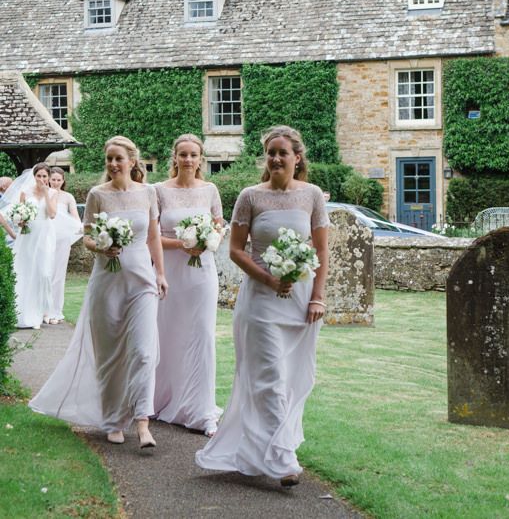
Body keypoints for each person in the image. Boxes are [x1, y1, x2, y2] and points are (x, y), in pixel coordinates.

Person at [195, 125, 329, 487]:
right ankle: (284, 460)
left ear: (297, 158)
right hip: (260, 300)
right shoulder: (250, 196)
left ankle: (259, 451)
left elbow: (321, 250)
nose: (276, 159)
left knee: (293, 377)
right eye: (271, 153)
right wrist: (269, 278)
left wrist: (317, 296)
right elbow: (236, 249)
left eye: (283, 153)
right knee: (269, 376)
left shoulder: (312, 196)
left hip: (300, 300)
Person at [30, 136, 168, 449]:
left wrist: (160, 273)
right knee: (110, 356)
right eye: (109, 159)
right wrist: (102, 248)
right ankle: (114, 419)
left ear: (132, 161)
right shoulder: (97, 194)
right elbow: (88, 238)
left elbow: (153, 237)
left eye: (119, 158)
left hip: (142, 282)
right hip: (107, 282)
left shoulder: (148, 192)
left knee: (144, 352)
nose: (113, 164)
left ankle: (143, 421)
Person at [153, 134, 224, 437]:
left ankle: (201, 409)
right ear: (175, 157)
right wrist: (183, 244)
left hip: (202, 273)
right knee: (168, 333)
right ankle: (163, 399)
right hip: (170, 271)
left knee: (202, 335)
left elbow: (219, 226)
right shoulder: (159, 190)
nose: (188, 160)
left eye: (193, 155)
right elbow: (152, 236)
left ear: (200, 159)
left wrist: (207, 240)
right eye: (183, 154)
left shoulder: (210, 190)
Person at [13, 163, 58, 329]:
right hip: (28, 234)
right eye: (39, 176)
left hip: (45, 235)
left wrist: (46, 193)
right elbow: (19, 215)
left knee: (43, 272)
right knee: (24, 270)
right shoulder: (25, 192)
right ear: (34, 176)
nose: (41, 179)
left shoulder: (53, 193)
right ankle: (22, 313)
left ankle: (39, 313)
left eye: (44, 176)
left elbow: (52, 214)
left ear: (48, 177)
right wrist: (20, 221)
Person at [46, 167, 83, 324]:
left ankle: (55, 310)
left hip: (62, 240)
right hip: (45, 238)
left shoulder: (68, 197)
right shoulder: (44, 194)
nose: (55, 183)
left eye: (58, 180)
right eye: (53, 179)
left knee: (58, 275)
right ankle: (43, 310)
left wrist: (80, 227)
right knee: (45, 273)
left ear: (63, 181)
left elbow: (75, 217)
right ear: (49, 179)